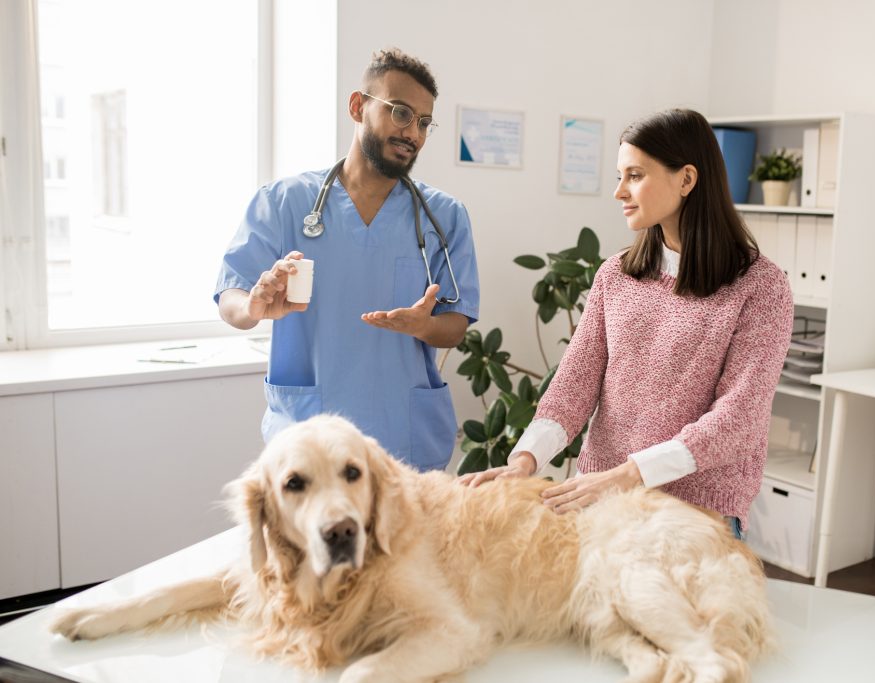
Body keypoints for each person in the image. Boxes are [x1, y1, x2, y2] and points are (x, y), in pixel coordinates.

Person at [461, 109, 792, 537]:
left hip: (692, 514)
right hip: (601, 500)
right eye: (620, 176)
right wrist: (523, 462)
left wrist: (630, 474)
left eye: (635, 175)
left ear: (687, 180)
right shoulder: (615, 275)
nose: (619, 191)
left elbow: (736, 421)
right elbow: (572, 386)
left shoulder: (761, 288)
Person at [215, 48, 480, 471]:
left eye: (424, 122)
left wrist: (425, 326)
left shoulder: (444, 216)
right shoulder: (283, 202)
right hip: (309, 437)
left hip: (404, 441)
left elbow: (455, 326)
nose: (413, 132)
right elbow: (232, 297)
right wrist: (251, 307)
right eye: (400, 113)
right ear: (358, 107)